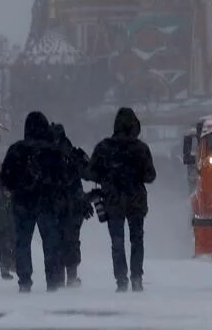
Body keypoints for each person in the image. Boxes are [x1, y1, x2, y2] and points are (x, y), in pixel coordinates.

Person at [90, 107, 157, 293]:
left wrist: (108, 175)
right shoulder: (141, 148)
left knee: (117, 241)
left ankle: (121, 279)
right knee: (137, 239)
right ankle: (136, 277)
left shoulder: (104, 147)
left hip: (113, 200)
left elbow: (90, 173)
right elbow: (150, 176)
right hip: (136, 200)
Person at [1, 111, 69, 293]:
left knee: (22, 242)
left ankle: (25, 280)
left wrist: (17, 188)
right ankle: (53, 281)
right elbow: (63, 178)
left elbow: (6, 178)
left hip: (22, 203)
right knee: (50, 242)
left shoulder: (16, 150)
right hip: (47, 203)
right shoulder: (53, 151)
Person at [51, 123, 91, 288]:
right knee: (72, 239)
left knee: (56, 240)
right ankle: (72, 276)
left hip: (54, 203)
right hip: (74, 203)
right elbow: (88, 173)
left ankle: (58, 276)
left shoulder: (47, 156)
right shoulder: (75, 154)